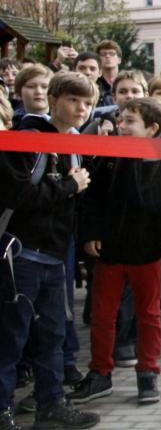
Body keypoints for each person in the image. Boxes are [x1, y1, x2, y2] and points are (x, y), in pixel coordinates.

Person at [0, 71, 101, 430]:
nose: (81, 108)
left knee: (53, 337)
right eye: (73, 100)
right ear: (54, 99)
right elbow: (19, 196)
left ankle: (51, 406)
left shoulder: (78, 145)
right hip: (22, 255)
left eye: (88, 103)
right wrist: (68, 186)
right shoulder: (27, 139)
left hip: (56, 258)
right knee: (11, 338)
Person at [71, 98, 161, 407]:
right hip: (109, 252)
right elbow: (92, 200)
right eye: (121, 120)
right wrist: (91, 234)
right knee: (102, 316)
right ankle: (100, 373)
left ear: (152, 128)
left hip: (146, 255)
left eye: (130, 121)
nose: (121, 125)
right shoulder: (109, 160)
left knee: (148, 315)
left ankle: (148, 372)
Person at [94, 41, 122, 109]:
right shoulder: (94, 83)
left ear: (119, 59)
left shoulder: (125, 82)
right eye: (103, 54)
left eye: (112, 54)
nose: (107, 56)